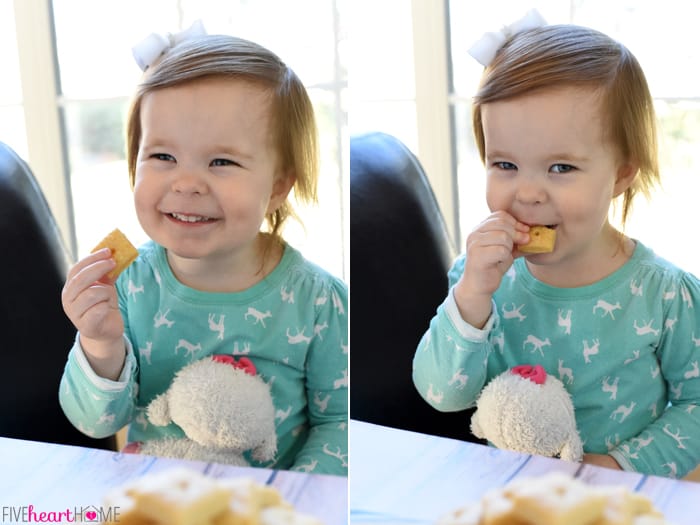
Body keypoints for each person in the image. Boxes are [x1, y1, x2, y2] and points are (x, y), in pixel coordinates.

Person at [412, 15, 700, 479]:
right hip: (509, 494)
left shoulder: (665, 294)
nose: (528, 193)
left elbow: (696, 404)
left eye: (561, 168)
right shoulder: (481, 279)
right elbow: (444, 394)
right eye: (504, 163)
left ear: (622, 173)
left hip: (619, 499)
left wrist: (617, 468)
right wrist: (470, 298)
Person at [59, 28, 348, 476]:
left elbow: (338, 425)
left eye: (221, 162)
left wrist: (292, 497)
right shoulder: (127, 286)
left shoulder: (318, 301)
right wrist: (100, 343)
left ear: (277, 186)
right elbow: (95, 423)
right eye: (162, 157)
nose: (187, 182)